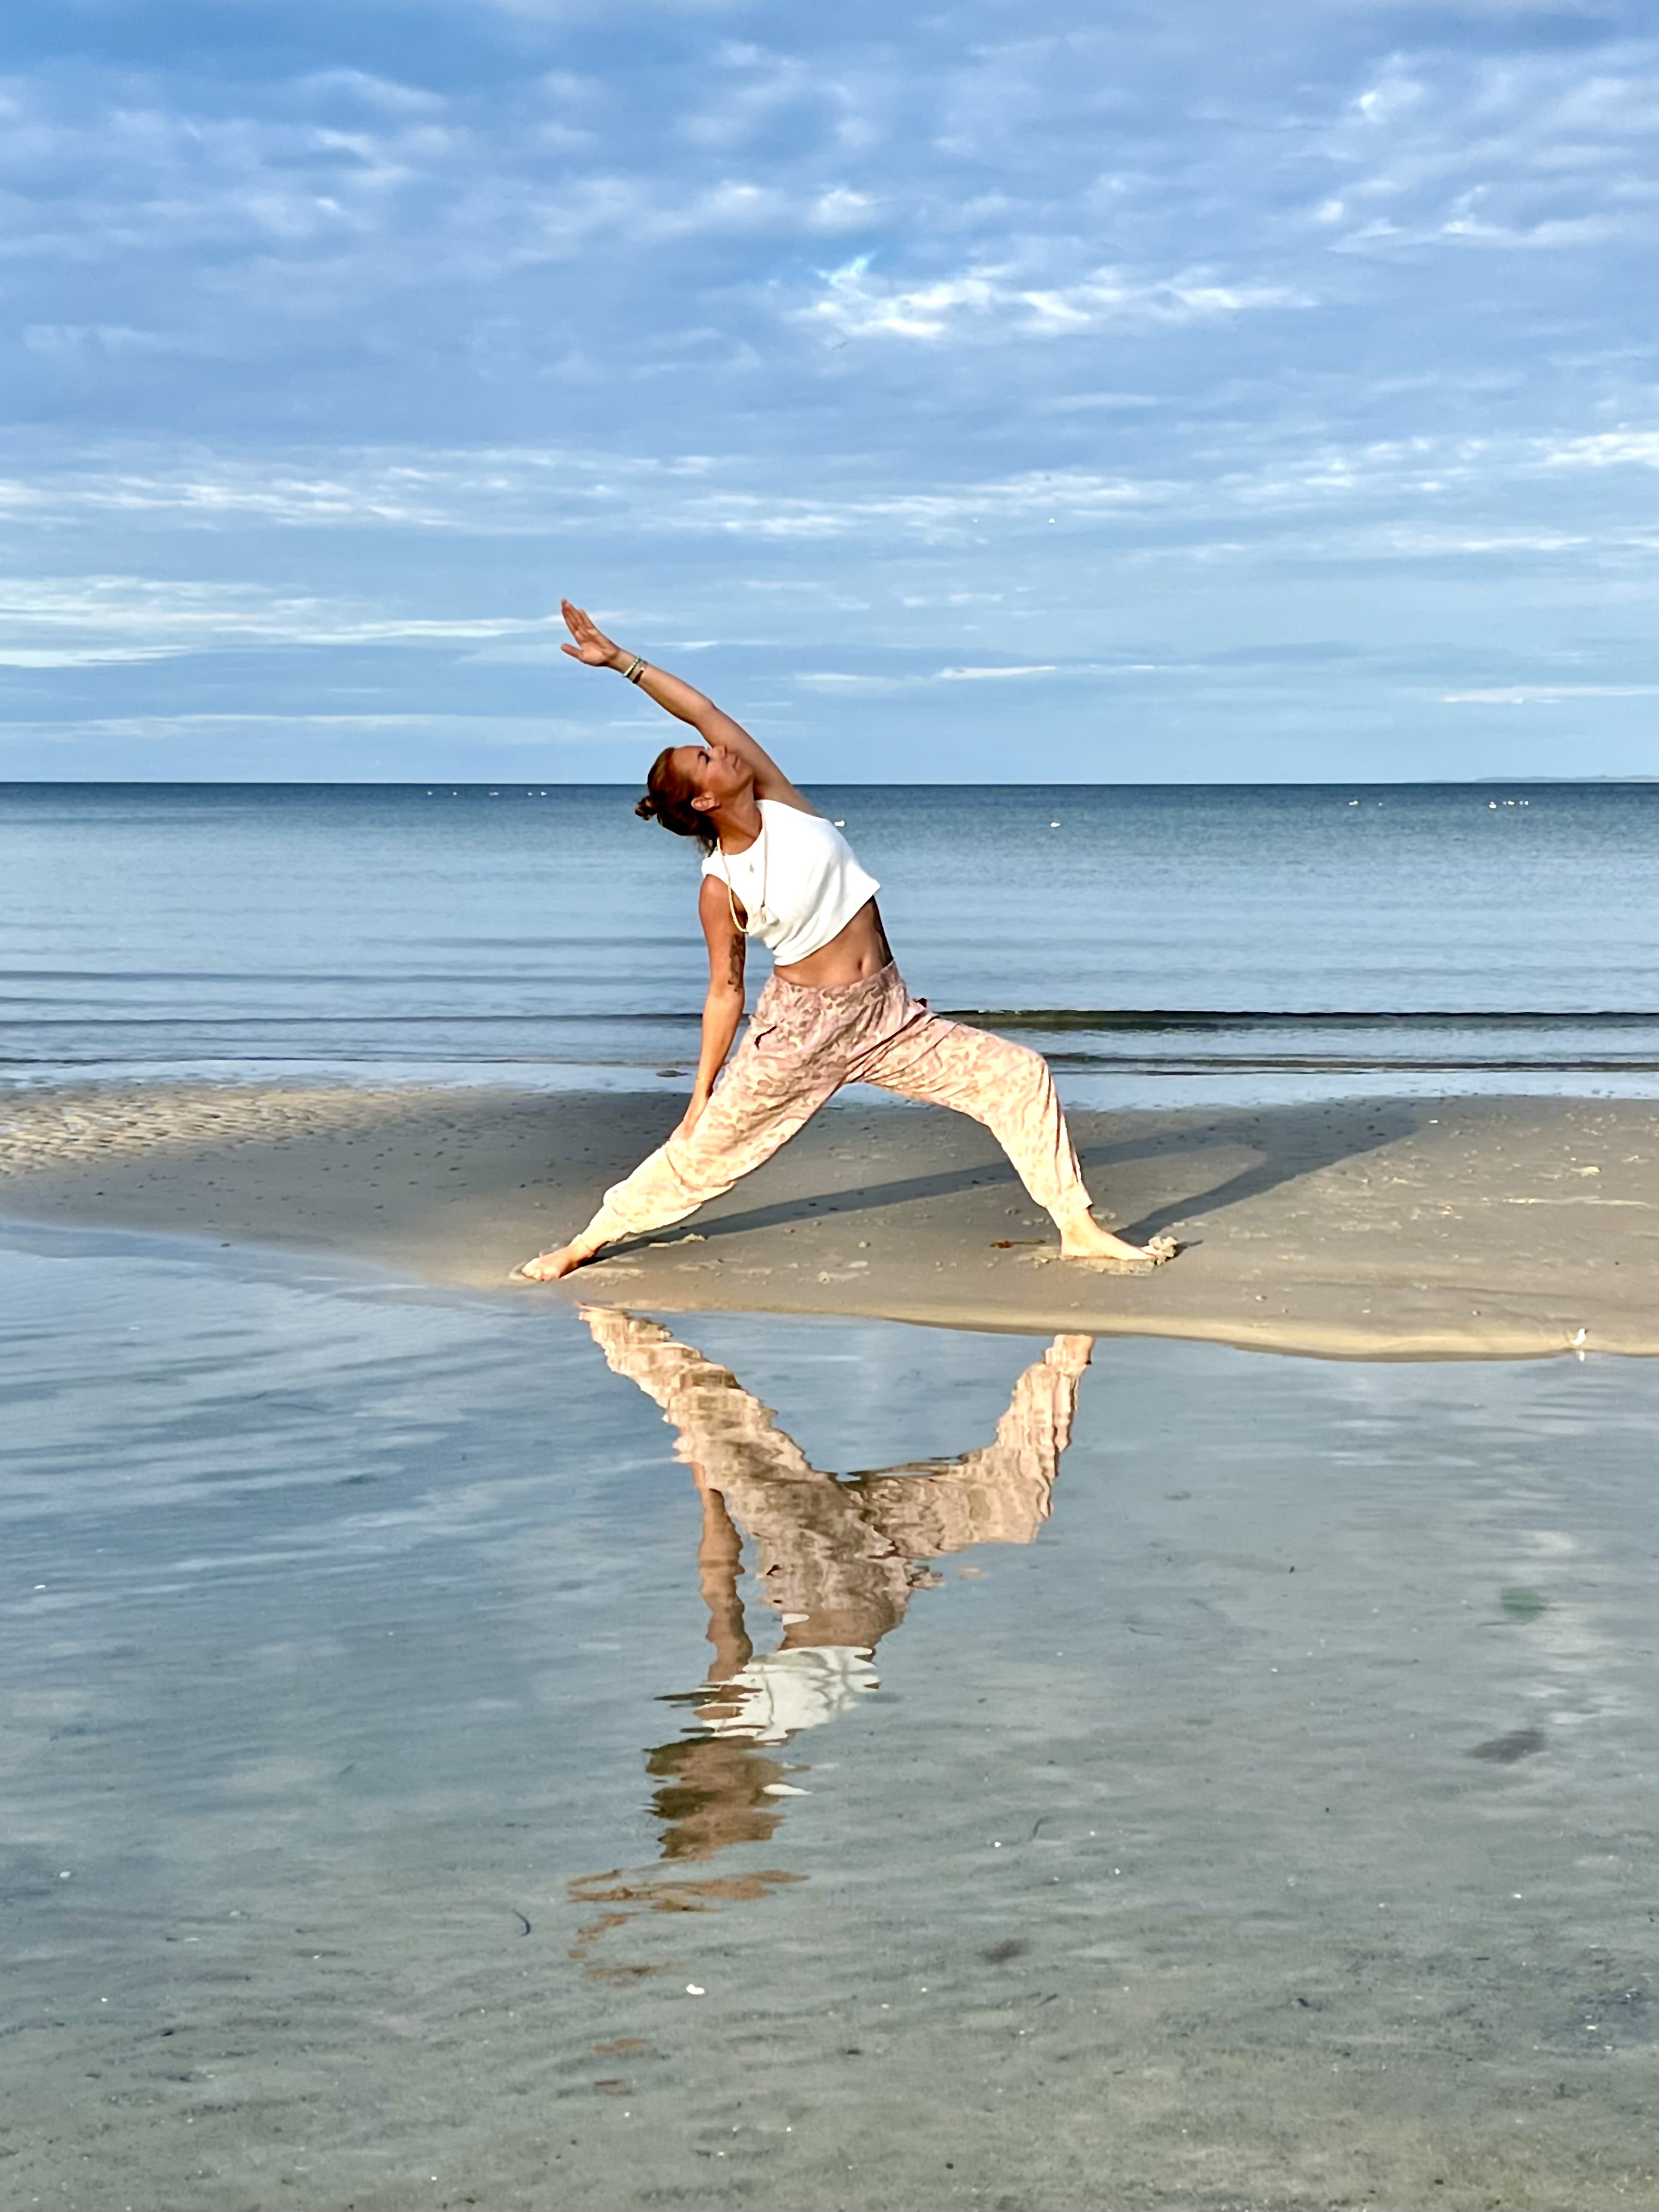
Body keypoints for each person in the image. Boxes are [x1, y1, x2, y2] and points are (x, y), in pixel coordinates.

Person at [517, 600, 1177, 1282]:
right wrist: (699, 1094)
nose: (720, 748)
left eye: (709, 747)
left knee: (1019, 1075)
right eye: (705, 759)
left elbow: (701, 708)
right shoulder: (722, 885)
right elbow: (724, 990)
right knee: (704, 1152)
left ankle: (1078, 1227)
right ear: (704, 801)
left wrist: (622, 661)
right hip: (801, 1031)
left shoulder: (780, 801)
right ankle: (587, 1240)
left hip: (887, 1015)